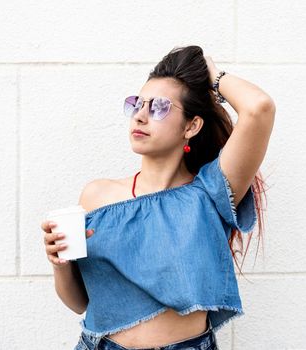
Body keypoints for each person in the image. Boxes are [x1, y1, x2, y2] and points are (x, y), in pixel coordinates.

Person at [41, 45, 275, 350]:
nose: (140, 116)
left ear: (191, 126)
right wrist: (59, 263)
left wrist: (213, 75)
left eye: (159, 107)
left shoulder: (209, 192)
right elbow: (79, 303)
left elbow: (259, 107)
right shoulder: (97, 195)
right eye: (137, 104)